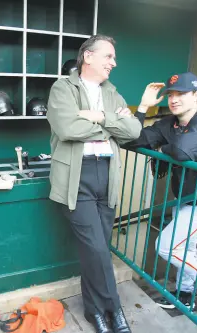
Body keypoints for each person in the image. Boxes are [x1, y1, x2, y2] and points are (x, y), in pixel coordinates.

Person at [46, 34, 142, 333]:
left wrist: (98, 115)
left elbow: (134, 130)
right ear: (88, 56)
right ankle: (115, 310)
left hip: (107, 176)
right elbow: (67, 126)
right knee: (98, 250)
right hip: (78, 177)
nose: (114, 63)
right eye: (108, 57)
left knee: (95, 250)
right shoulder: (63, 88)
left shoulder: (111, 93)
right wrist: (111, 125)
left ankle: (94, 312)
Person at [125, 72, 197, 314]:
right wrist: (142, 108)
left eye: (181, 94)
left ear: (196, 95)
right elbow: (133, 140)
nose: (174, 100)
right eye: (171, 95)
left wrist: (163, 147)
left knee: (168, 246)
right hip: (186, 196)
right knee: (187, 247)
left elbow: (183, 152)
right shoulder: (170, 123)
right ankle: (185, 293)